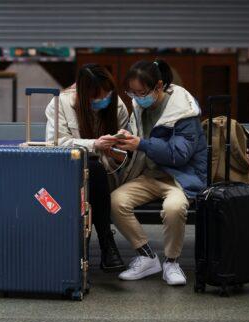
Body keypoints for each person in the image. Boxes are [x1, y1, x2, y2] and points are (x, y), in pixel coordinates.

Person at [111, 59, 207, 286]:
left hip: (181, 178)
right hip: (151, 175)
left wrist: (140, 144)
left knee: (174, 208)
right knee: (115, 201)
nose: (136, 97)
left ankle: (171, 262)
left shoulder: (184, 111)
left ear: (159, 86)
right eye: (131, 92)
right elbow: (140, 141)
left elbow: (179, 155)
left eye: (141, 92)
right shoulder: (140, 106)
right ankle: (147, 256)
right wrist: (123, 140)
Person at [45, 63, 128, 272]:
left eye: (107, 94)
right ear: (84, 94)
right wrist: (94, 145)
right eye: (97, 97)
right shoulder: (59, 104)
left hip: (107, 174)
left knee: (96, 170)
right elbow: (56, 144)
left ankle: (83, 252)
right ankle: (106, 242)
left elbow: (127, 153)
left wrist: (117, 151)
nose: (103, 100)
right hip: (67, 173)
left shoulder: (117, 107)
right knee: (92, 167)